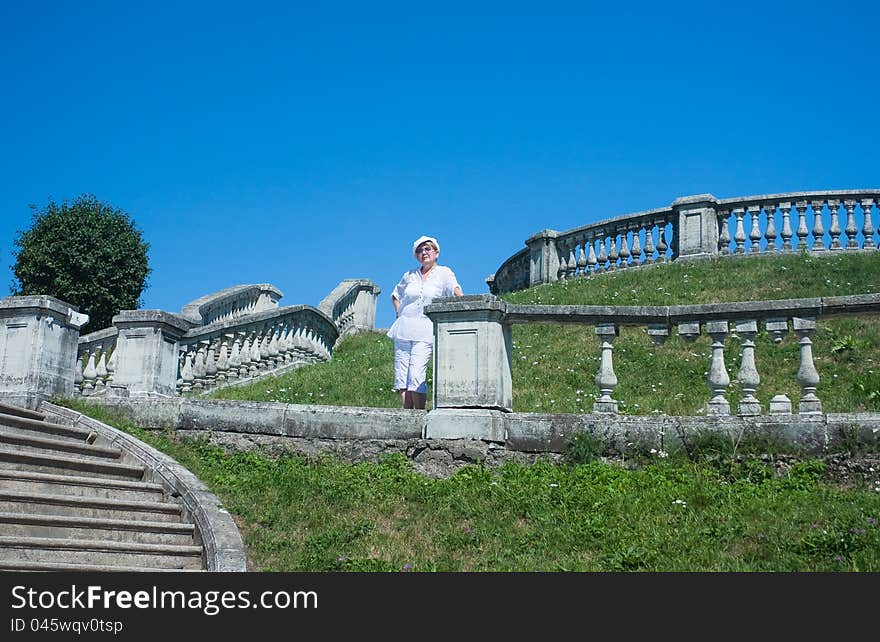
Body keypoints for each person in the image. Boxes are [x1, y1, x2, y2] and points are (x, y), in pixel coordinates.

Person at [387, 235, 463, 409]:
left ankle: (420, 415)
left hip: (426, 329)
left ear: (436, 252)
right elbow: (395, 295)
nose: (424, 253)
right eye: (419, 251)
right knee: (402, 377)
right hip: (404, 328)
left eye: (427, 249)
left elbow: (454, 288)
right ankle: (407, 416)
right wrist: (399, 313)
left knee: (416, 374)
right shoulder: (409, 275)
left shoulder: (444, 272)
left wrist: (464, 301)